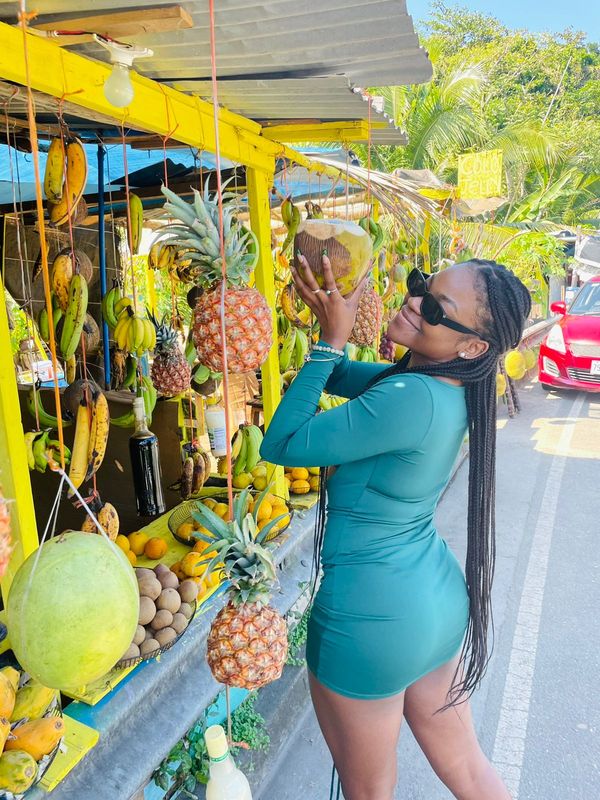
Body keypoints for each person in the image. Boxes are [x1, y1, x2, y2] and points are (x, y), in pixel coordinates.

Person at [260, 253, 531, 800]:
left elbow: (280, 444)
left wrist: (330, 342)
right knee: (470, 769)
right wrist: (328, 330)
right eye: (418, 286)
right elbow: (331, 371)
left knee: (369, 793)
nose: (413, 302)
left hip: (373, 620)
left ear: (473, 346)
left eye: (434, 306)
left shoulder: (408, 399)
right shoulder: (434, 385)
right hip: (431, 604)